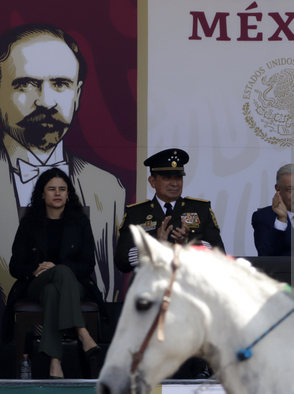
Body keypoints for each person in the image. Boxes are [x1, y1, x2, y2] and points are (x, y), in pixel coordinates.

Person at [0, 23, 126, 310]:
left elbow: (105, 282)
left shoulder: (109, 188)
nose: (45, 101)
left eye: (60, 83)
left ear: (77, 94)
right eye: (26, 83)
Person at [2, 168, 105, 378]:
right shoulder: (29, 223)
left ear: (68, 194)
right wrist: (35, 269)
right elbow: (15, 266)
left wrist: (59, 269)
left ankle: (54, 363)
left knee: (54, 290)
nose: (57, 193)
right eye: (51, 189)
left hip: (74, 285)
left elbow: (87, 264)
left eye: (62, 189)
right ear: (42, 194)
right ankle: (82, 333)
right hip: (36, 284)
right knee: (52, 282)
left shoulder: (80, 222)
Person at [115, 148, 225, 273]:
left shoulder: (201, 209)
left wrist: (188, 244)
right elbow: (121, 260)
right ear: (152, 182)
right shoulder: (136, 213)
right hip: (152, 288)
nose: (174, 183)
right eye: (167, 178)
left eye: (178, 178)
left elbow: (219, 253)